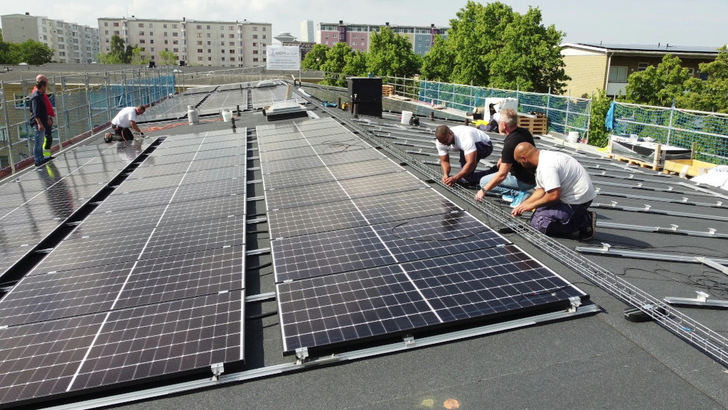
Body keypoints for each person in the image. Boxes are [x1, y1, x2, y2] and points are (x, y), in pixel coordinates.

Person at [510, 142, 597, 240]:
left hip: (577, 200)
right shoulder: (543, 158)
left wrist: (531, 205)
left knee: (539, 224)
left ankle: (584, 221)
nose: (522, 165)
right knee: (537, 214)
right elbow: (541, 190)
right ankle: (578, 217)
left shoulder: (546, 167)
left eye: (520, 162)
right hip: (572, 195)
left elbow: (553, 195)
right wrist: (524, 205)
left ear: (524, 159)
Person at [475, 108, 536, 207]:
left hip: (523, 180)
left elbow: (502, 175)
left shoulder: (510, 143)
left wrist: (484, 190)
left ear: (504, 125)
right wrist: (503, 158)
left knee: (484, 182)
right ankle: (514, 193)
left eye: (498, 122)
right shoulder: (524, 132)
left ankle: (518, 195)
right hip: (532, 176)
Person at [29, 77, 53, 166]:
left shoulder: (40, 95)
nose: (46, 89)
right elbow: (36, 112)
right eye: (45, 86)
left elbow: (44, 110)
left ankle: (41, 157)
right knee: (38, 141)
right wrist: (39, 123)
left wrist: (47, 118)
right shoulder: (36, 97)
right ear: (42, 86)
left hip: (43, 121)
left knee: (42, 140)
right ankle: (38, 159)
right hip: (38, 123)